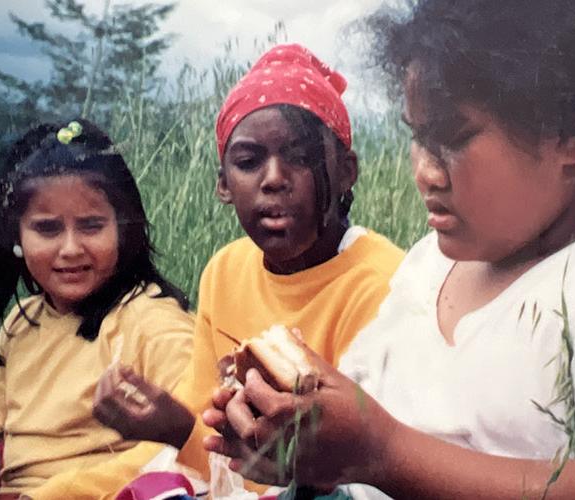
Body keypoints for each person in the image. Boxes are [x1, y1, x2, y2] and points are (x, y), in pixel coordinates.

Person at [203, 1, 575, 499]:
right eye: (417, 136)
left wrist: (379, 452)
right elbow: (355, 422)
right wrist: (291, 440)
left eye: (454, 137)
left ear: (566, 136)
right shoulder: (429, 265)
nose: (425, 172)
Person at [33, 44, 404, 498]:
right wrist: (169, 427)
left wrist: (179, 431)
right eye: (248, 162)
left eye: (301, 157)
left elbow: (343, 475)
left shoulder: (384, 285)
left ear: (347, 172)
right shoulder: (226, 270)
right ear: (224, 185)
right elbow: (198, 431)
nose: (272, 178)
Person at [0, 119, 194, 497]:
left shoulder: (151, 322)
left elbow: (187, 446)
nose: (70, 248)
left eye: (91, 225)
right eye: (48, 229)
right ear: (16, 236)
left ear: (123, 229)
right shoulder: (21, 322)